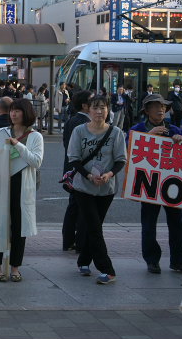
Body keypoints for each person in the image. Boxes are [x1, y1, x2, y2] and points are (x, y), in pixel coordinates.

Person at [67, 95, 127, 285]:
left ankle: (84, 260)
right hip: (83, 186)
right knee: (93, 226)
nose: (99, 111)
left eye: (103, 108)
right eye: (95, 108)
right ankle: (107, 270)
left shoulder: (116, 132)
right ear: (88, 110)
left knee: (94, 226)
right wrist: (88, 175)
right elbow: (74, 158)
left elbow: (120, 160)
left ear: (108, 110)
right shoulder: (79, 131)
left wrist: (109, 174)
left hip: (106, 188)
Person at [129, 93, 182, 274]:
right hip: (149, 184)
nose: (160, 109)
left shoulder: (173, 129)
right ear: (147, 111)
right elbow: (127, 146)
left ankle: (179, 260)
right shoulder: (137, 128)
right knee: (149, 224)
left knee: (177, 224)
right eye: (155, 106)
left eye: (163, 106)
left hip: (171, 185)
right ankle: (152, 260)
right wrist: (149, 135)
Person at [0, 98, 43, 283]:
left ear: (26, 113)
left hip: (22, 185)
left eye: (18, 111)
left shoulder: (35, 136)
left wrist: (17, 145)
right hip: (2, 183)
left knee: (19, 228)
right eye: (12, 110)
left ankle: (15, 268)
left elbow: (36, 161)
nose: (13, 113)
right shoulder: (1, 132)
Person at [61, 90, 92, 252]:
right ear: (85, 105)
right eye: (93, 103)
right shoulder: (82, 123)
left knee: (74, 206)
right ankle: (78, 241)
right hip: (79, 170)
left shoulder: (73, 120)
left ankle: (68, 240)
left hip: (71, 169)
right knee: (80, 207)